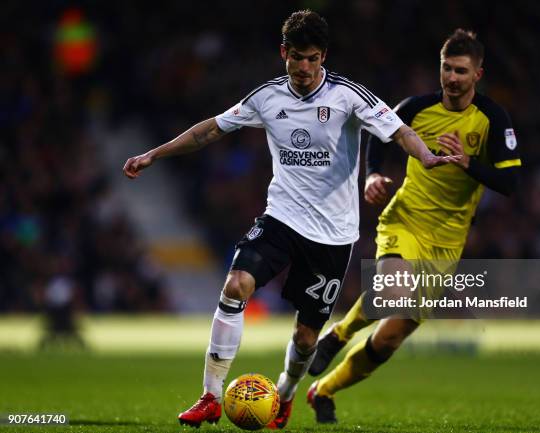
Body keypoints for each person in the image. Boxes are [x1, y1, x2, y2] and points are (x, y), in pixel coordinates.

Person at [122, 10, 456, 429]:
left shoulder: (348, 96)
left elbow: (400, 131)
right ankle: (209, 395)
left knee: (305, 339)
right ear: (284, 53)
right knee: (236, 284)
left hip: (333, 235)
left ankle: (284, 393)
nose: (303, 67)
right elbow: (210, 130)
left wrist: (426, 156)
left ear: (324, 57)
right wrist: (155, 153)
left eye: (312, 58)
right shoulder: (267, 97)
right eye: (296, 57)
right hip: (281, 217)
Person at [307, 29, 522, 424]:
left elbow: (510, 184)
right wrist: (371, 175)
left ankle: (323, 390)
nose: (452, 77)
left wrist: (469, 164)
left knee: (389, 338)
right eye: (446, 68)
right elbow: (379, 134)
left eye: (461, 70)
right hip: (405, 218)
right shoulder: (416, 108)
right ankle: (337, 335)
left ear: (478, 74)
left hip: (448, 242)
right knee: (394, 289)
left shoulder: (492, 118)